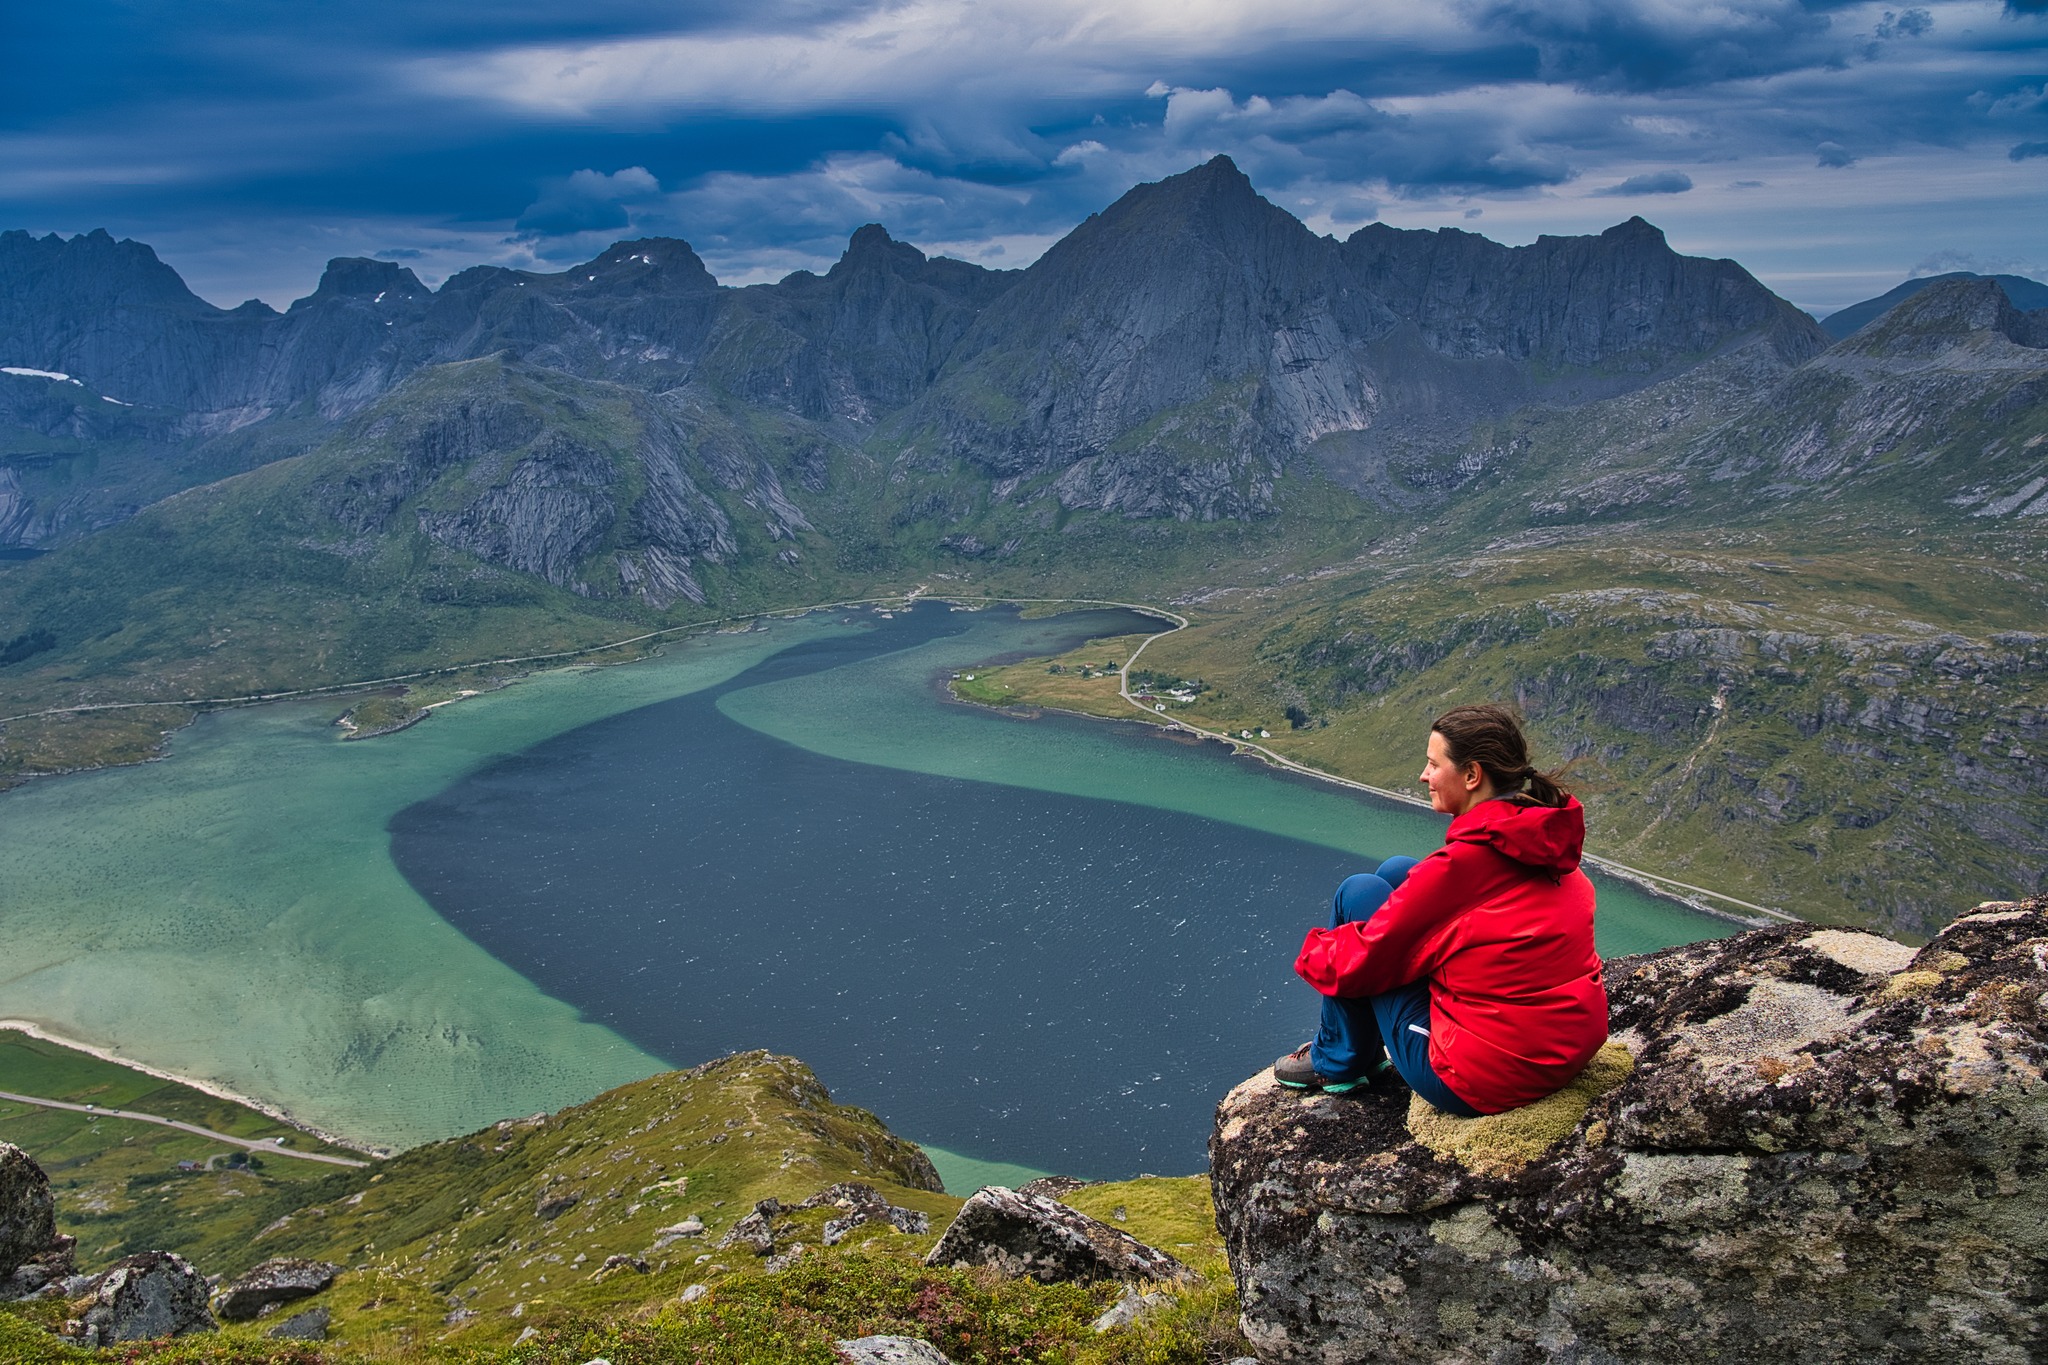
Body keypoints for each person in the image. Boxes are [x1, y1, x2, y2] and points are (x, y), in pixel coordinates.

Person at [1272, 704, 1608, 1115]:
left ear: (1472, 776)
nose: (1424, 776)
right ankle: (1351, 1049)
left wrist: (1312, 952)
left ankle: (1339, 1060)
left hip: (1479, 1078)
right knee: (1398, 871)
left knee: (1357, 893)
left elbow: (1361, 961)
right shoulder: (1545, 843)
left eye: (1433, 764)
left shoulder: (1462, 870)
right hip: (1562, 1050)